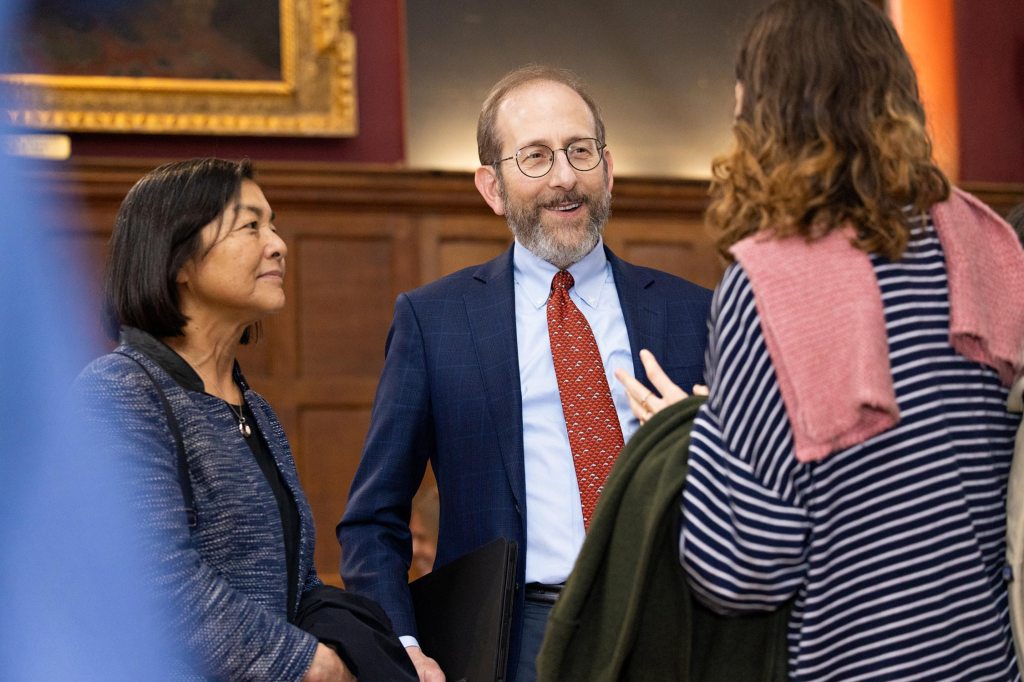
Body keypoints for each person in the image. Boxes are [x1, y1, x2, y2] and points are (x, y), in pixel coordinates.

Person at [618, 0, 1024, 679]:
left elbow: (740, 569)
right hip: (986, 662)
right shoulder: (989, 246)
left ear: (763, 111)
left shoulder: (770, 283)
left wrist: (689, 442)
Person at [338, 65, 712, 681]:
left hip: (674, 632)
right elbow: (373, 517)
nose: (565, 178)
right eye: (535, 157)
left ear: (608, 168)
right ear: (492, 187)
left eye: (580, 152)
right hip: (514, 644)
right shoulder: (435, 322)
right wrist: (401, 647)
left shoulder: (695, 312)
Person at [73, 158, 413, 681]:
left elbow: (292, 585)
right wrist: (309, 665)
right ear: (178, 259)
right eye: (251, 226)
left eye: (272, 225)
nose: (277, 243)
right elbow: (154, 582)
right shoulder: (119, 392)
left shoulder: (254, 408)